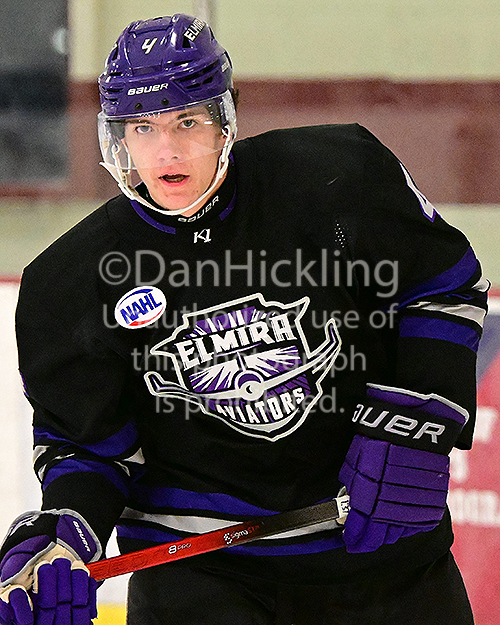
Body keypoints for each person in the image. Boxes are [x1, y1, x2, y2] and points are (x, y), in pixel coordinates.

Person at [0, 13, 487, 625]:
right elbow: (87, 448)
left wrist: (413, 424)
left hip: (378, 553)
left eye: (187, 121)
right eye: (143, 127)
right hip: (202, 579)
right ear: (117, 138)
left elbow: (441, 286)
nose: (167, 150)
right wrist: (65, 532)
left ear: (224, 119)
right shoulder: (70, 280)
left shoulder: (335, 179)